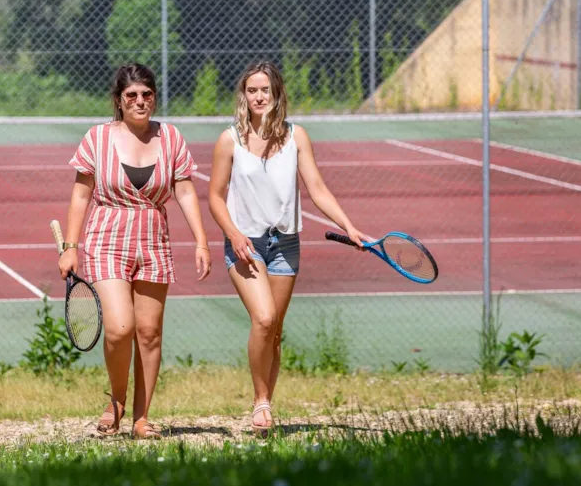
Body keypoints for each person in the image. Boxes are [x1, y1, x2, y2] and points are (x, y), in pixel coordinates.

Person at [207, 60, 367, 435]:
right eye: (252, 90)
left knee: (274, 329)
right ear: (243, 96)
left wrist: (349, 226)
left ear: (277, 93)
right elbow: (214, 196)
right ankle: (261, 401)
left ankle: (265, 404)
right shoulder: (229, 139)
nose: (259, 96)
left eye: (265, 90)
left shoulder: (297, 137)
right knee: (262, 318)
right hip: (245, 244)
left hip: (286, 244)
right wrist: (233, 233)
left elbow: (318, 188)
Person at [58, 63, 212, 439]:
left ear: (154, 97)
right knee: (120, 328)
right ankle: (116, 399)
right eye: (132, 96)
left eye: (146, 95)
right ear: (119, 101)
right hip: (106, 238)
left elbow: (186, 190)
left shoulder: (172, 137)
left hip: (154, 239)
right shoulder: (97, 137)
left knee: (149, 332)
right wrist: (70, 247)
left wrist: (202, 240)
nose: (140, 101)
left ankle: (141, 417)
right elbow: (81, 194)